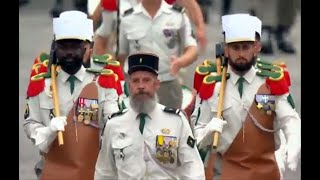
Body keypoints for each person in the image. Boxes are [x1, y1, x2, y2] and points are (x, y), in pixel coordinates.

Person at [190, 14, 301, 180]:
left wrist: (293, 143)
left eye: (246, 47)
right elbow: (196, 134)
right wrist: (208, 131)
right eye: (235, 48)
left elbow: (290, 119)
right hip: (225, 168)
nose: (241, 53)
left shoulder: (271, 81)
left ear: (257, 47)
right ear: (226, 49)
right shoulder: (213, 85)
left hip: (264, 167)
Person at [23, 10, 120, 180]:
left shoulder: (102, 82)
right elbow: (30, 123)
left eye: (74, 47)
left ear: (86, 48)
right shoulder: (43, 84)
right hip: (53, 166)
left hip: (93, 168)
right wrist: (47, 132)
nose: (68, 52)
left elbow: (115, 122)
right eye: (63, 47)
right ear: (55, 48)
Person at [94, 52, 205, 179]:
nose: (141, 86)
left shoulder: (176, 121)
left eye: (146, 80)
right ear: (129, 86)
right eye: (136, 81)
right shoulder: (114, 124)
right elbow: (105, 172)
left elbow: (192, 167)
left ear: (157, 84)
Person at [116, 0, 198, 109]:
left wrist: (181, 61)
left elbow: (192, 49)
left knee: (170, 124)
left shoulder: (178, 16)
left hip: (167, 84)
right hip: (137, 86)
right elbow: (121, 55)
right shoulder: (127, 18)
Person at [93, 0, 206, 55]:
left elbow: (190, 4)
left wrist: (200, 28)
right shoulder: (114, 3)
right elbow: (101, 36)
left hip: (165, 61)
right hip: (129, 62)